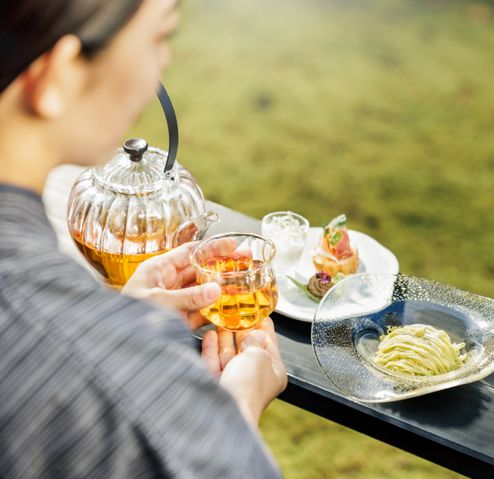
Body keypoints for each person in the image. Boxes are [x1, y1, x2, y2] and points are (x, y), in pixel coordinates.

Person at [0, 0, 287, 477]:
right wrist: (234, 411)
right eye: (159, 38)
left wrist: (114, 315)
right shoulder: (119, 389)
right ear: (58, 76)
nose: (164, 62)